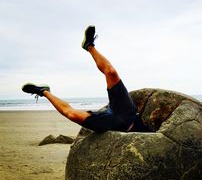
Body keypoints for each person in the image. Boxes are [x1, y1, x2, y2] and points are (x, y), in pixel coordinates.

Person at [22, 25, 151, 133]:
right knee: (111, 72)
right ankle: (89, 45)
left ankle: (44, 91)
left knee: (71, 114)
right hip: (126, 111)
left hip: (111, 124)